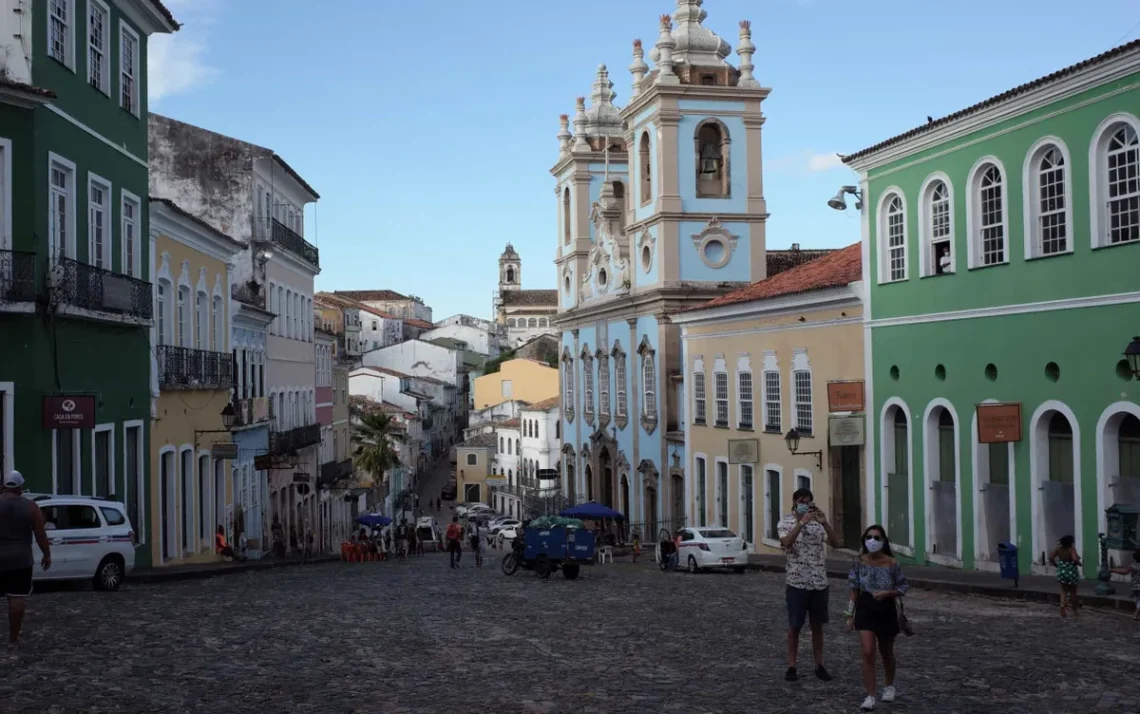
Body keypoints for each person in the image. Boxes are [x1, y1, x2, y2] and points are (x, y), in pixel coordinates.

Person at [777, 487, 841, 682]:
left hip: (819, 581)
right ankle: (791, 666)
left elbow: (835, 543)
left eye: (809, 502)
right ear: (796, 501)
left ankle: (819, 665)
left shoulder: (817, 524)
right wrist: (801, 524)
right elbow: (787, 542)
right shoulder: (785, 522)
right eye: (803, 501)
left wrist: (825, 523)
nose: (807, 505)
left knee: (817, 626)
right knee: (795, 626)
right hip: (797, 581)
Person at [846, 525, 909, 712]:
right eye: (869, 537)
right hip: (865, 608)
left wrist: (888, 593)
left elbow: (903, 587)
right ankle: (870, 696)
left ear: (883, 541)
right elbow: (854, 589)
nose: (872, 541)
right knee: (867, 651)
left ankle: (889, 685)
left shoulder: (892, 563)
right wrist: (849, 614)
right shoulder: (859, 561)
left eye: (877, 537)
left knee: (886, 652)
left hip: (885, 608)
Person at [0, 471, 52, 652]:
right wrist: (47, 554)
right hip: (20, 559)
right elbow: (40, 534)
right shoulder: (31, 507)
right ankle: (13, 639)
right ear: (21, 487)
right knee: (16, 597)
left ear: (4, 486)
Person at [1049, 535, 1082, 618]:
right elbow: (1074, 559)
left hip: (1062, 571)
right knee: (1073, 592)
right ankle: (1075, 610)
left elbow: (1051, 557)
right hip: (1071, 572)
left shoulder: (1058, 549)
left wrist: (1056, 565)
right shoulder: (1071, 549)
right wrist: (1079, 563)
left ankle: (1062, 605)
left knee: (1063, 590)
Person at [1109, 548, 1140, 620]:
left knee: (1138, 599)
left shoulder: (1133, 566)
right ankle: (1136, 614)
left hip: (1135, 586)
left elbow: (1125, 571)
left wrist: (1113, 570)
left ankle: (1137, 613)